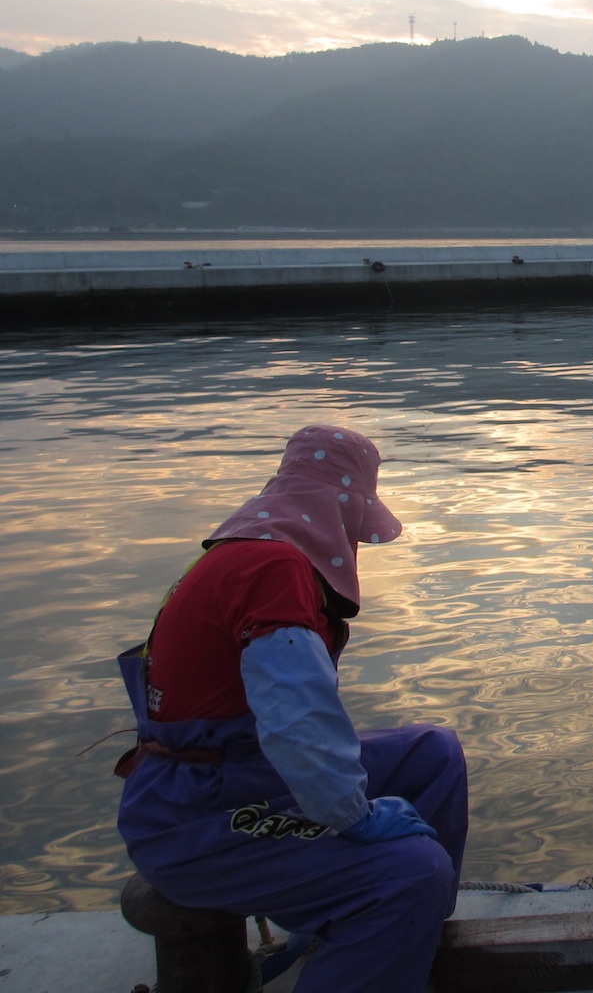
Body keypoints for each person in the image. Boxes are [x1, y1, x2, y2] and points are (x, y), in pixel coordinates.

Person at [115, 425, 469, 993]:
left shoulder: (245, 556)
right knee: (413, 873)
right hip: (195, 817)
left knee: (433, 752)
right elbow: (296, 716)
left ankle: (398, 936)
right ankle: (387, 904)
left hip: (236, 774)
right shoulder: (273, 573)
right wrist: (354, 817)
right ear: (342, 510)